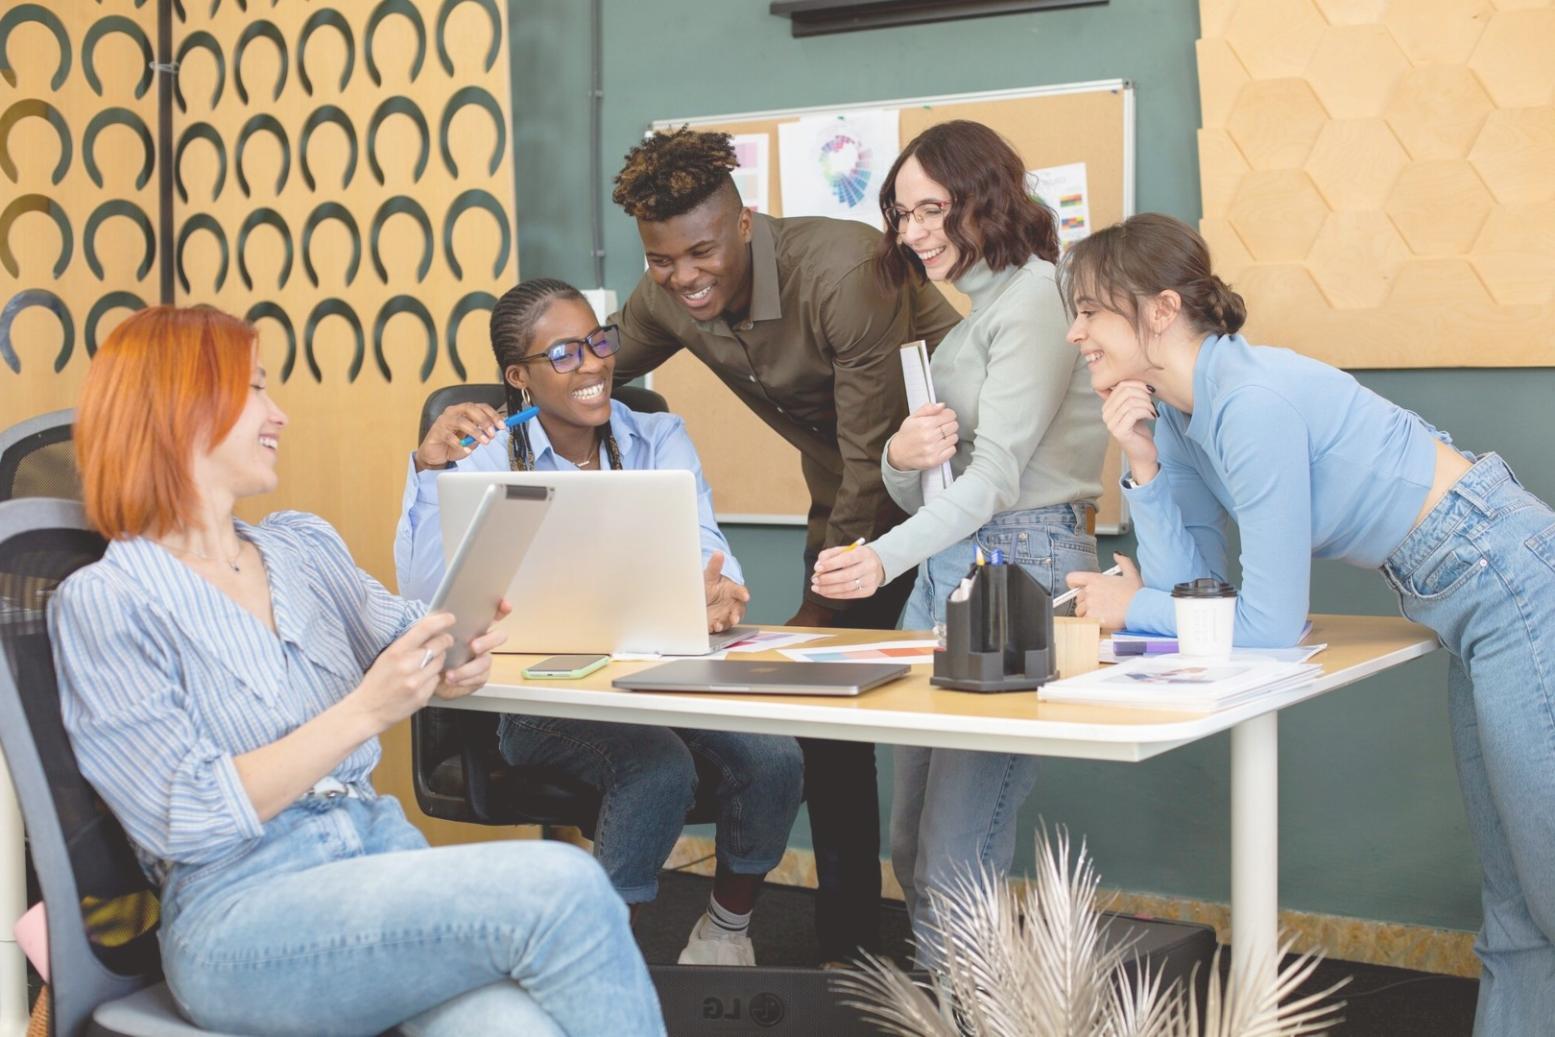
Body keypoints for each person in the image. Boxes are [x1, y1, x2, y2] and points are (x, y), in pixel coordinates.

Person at [49, 305, 664, 1037]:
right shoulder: (109, 600)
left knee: (508, 1025)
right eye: (254, 391)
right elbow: (181, 816)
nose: (277, 414)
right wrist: (367, 710)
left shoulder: (300, 546)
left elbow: (412, 633)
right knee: (566, 885)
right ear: (182, 409)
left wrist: (455, 652)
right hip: (241, 914)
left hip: (374, 856)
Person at [1059, 213, 1555, 1035]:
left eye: (1088, 310)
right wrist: (1143, 464)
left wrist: (1128, 606)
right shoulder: (1182, 413)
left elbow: (1262, 623)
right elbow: (1198, 596)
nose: (1074, 332)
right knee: (1514, 911)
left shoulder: (1248, 402)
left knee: (1544, 887)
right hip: (1468, 590)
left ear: (1159, 309)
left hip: (1505, 575)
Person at [609, 127, 962, 963]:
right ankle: (850, 947)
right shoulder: (666, 291)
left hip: (951, 488)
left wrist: (813, 615)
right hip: (850, 495)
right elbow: (580, 370)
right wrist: (482, 406)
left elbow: (877, 446)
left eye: (699, 252)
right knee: (825, 722)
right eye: (662, 262)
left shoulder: (842, 268)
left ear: (743, 223)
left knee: (945, 720)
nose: (682, 278)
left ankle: (950, 952)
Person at [394, 277, 803, 966]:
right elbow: (430, 595)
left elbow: (706, 545)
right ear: (517, 376)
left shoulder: (655, 435)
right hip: (541, 696)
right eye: (563, 354)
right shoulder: (484, 454)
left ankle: (724, 935)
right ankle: (605, 964)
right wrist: (429, 473)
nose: (591, 363)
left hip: (662, 679)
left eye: (596, 340)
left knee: (774, 754)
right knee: (657, 767)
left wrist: (715, 589)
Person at [809, 120, 1107, 965]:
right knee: (913, 851)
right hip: (953, 566)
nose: (913, 233)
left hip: (1021, 568)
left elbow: (996, 482)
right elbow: (942, 480)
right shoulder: (971, 321)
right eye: (901, 215)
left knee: (952, 861)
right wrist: (901, 459)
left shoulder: (1041, 299)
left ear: (985, 196)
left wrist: (878, 556)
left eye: (931, 210)